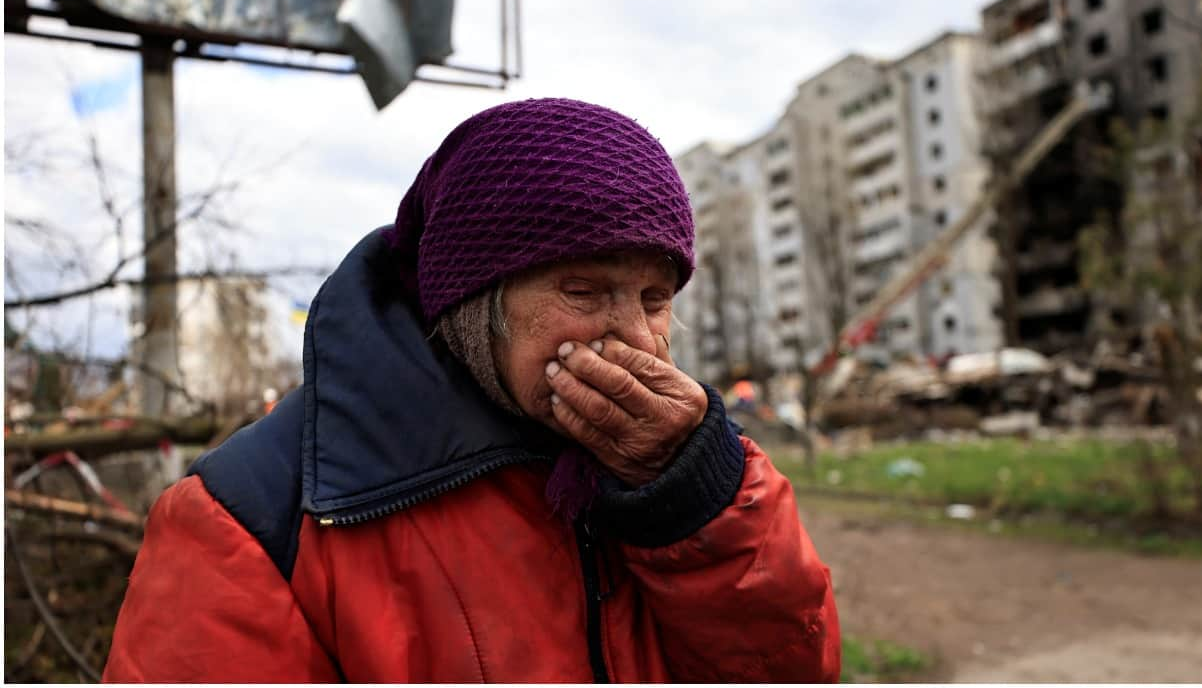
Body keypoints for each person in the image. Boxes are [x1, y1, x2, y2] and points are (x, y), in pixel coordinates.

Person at [103, 98, 840, 682]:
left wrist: (692, 500)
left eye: (654, 298)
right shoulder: (253, 518)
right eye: (583, 292)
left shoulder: (671, 462)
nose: (640, 342)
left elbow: (793, 670)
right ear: (468, 305)